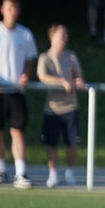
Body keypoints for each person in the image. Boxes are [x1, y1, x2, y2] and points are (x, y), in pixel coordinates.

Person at [0, 0, 38, 189]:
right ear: (2, 9)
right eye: (10, 8)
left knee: (17, 130)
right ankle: (1, 170)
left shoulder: (25, 34)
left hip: (16, 90)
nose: (13, 11)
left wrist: (26, 76)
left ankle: (20, 173)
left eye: (15, 8)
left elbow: (29, 61)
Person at [37, 24, 85, 188]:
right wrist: (62, 81)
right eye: (61, 34)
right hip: (52, 108)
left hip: (71, 106)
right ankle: (53, 174)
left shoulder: (71, 56)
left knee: (72, 143)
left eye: (66, 35)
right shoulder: (45, 57)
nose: (65, 38)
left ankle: (70, 172)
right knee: (51, 143)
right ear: (52, 36)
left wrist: (78, 81)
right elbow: (42, 76)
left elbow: (79, 76)